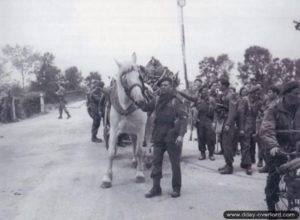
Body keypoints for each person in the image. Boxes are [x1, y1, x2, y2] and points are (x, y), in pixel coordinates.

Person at [141, 77, 188, 198]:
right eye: (161, 85)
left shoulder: (175, 101)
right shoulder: (157, 100)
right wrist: (137, 100)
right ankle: (156, 188)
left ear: (171, 87)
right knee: (156, 163)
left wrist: (181, 135)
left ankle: (176, 188)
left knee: (175, 164)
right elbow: (146, 107)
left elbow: (184, 118)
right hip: (158, 135)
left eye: (166, 85)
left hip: (172, 135)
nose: (163, 87)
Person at [259, 81, 300, 211]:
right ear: (286, 94)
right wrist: (273, 146)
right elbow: (266, 129)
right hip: (278, 146)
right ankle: (271, 204)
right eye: (296, 93)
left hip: (296, 145)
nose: (299, 96)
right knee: (274, 174)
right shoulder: (273, 108)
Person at [178, 86, 216, 161]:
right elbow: (188, 97)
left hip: (208, 120)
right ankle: (202, 153)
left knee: (210, 138)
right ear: (201, 92)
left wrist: (214, 122)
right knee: (201, 137)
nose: (205, 92)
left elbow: (215, 111)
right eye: (203, 91)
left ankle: (211, 154)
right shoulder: (197, 99)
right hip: (200, 120)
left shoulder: (211, 100)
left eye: (206, 90)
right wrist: (180, 92)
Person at [237, 85, 262, 175]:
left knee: (252, 145)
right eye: (256, 93)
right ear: (252, 92)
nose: (257, 95)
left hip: (253, 126)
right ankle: (248, 165)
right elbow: (241, 115)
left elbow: (259, 112)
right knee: (246, 145)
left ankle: (245, 162)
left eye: (258, 94)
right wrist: (241, 128)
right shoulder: (244, 100)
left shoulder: (257, 101)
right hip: (245, 126)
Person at [215, 78, 237, 174]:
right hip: (223, 120)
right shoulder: (224, 95)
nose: (218, 86)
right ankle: (227, 163)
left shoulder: (230, 95)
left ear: (224, 85)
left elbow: (232, 112)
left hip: (228, 122)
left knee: (227, 144)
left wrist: (228, 124)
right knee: (224, 144)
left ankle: (229, 166)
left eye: (219, 84)